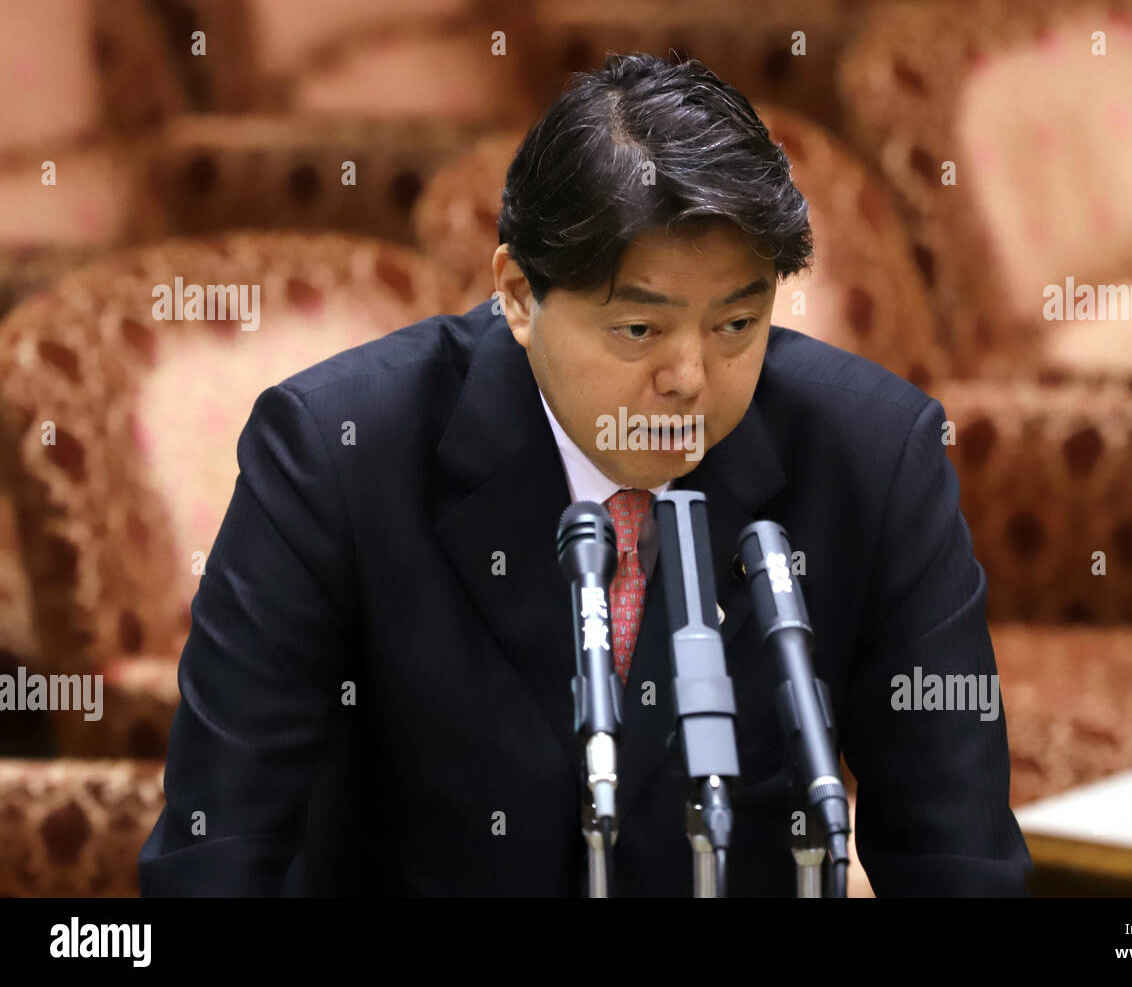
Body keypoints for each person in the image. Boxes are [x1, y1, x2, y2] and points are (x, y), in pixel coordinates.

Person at [139, 52, 1031, 897]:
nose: (689, 376)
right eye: (639, 330)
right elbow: (218, 852)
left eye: (735, 325)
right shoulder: (336, 452)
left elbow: (958, 856)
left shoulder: (873, 456)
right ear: (520, 296)